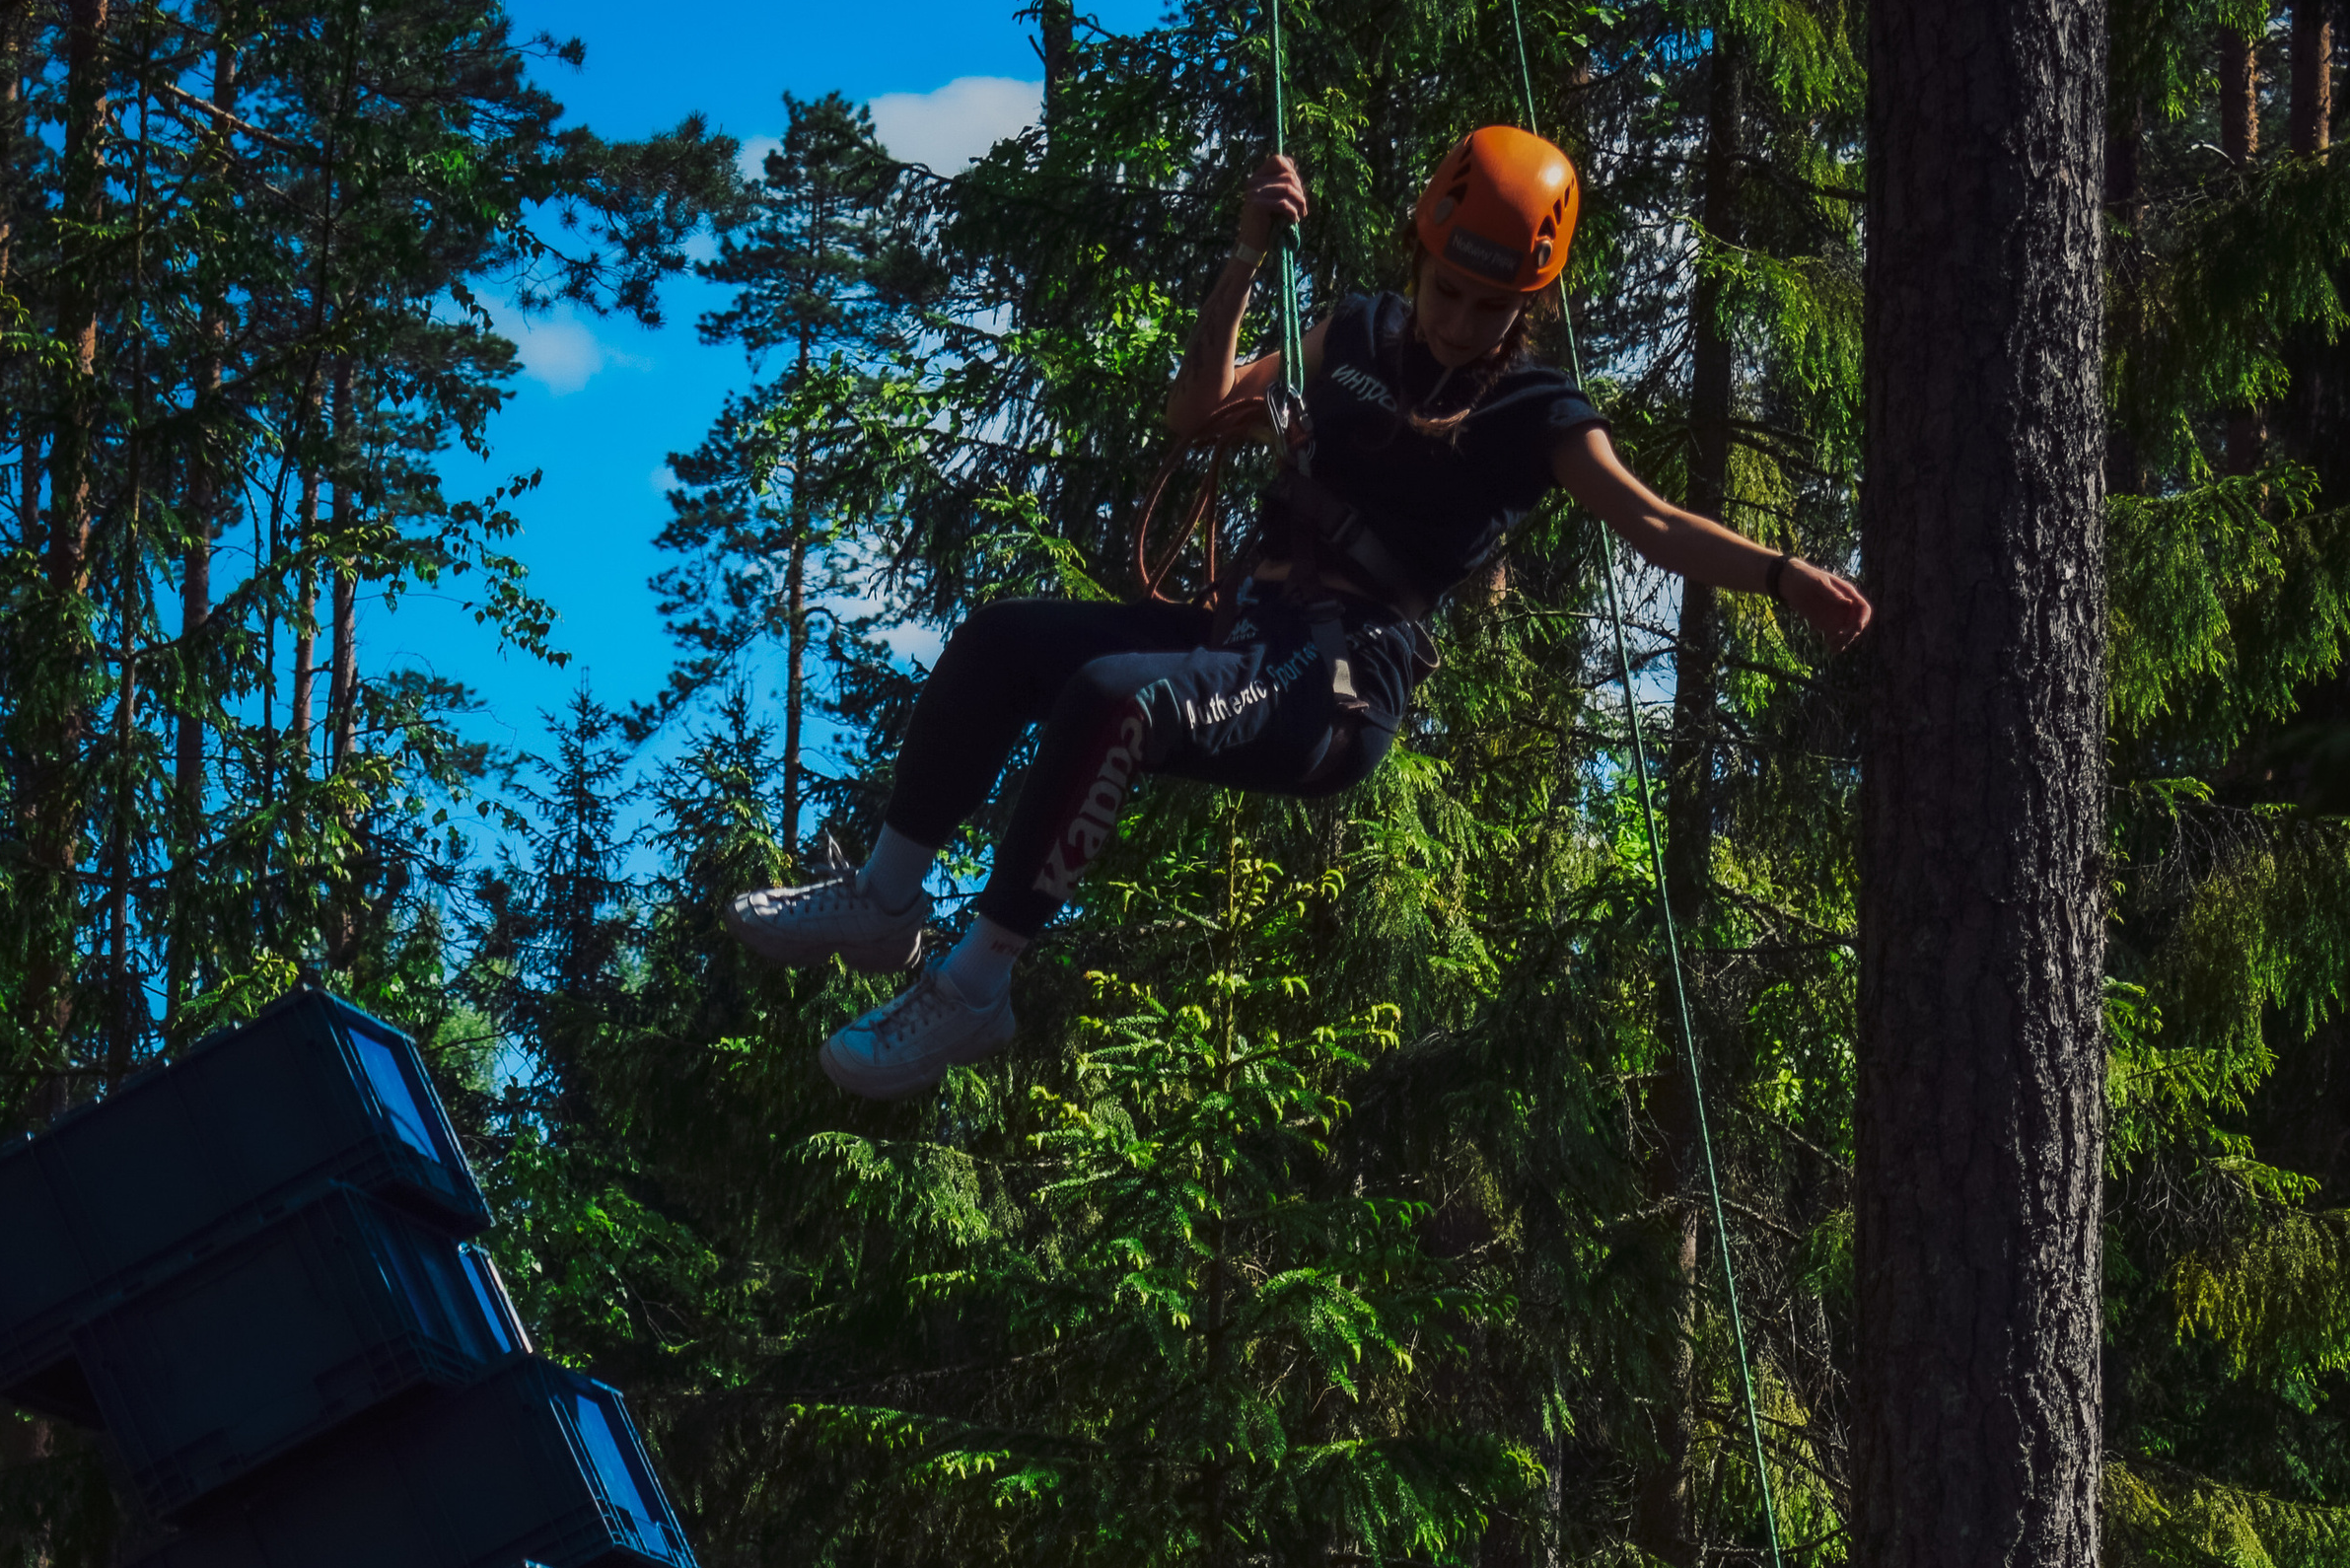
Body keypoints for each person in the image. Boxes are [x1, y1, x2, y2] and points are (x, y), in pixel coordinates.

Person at [727, 125, 1873, 1102]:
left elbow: (1651, 522)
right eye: (1446, 290)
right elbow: (1194, 413)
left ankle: (975, 986)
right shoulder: (1354, 333)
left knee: (1113, 698)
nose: (1458, 321)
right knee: (1001, 642)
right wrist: (1243, 256)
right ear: (1419, 256)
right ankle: (884, 900)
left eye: (1490, 306)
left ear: (1529, 302)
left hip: (1337, 683)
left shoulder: (1537, 411)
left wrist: (1781, 575)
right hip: (1239, 631)